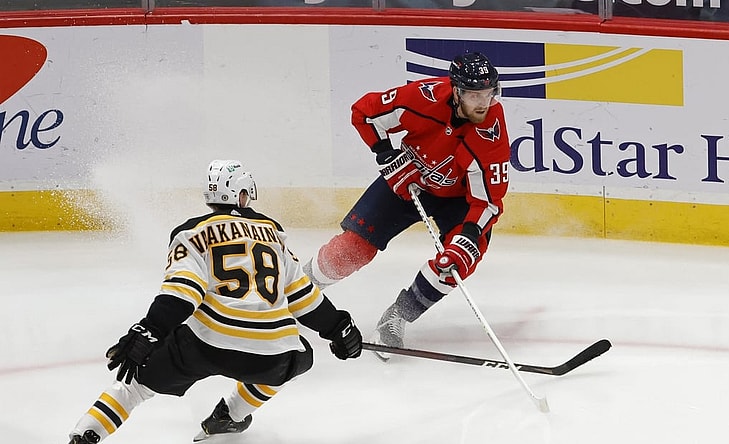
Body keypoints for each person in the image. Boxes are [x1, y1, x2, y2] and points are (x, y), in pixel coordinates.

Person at [67, 159, 362, 444]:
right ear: (243, 194)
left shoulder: (192, 232)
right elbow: (303, 296)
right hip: (273, 352)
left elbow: (183, 292)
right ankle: (233, 414)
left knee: (135, 386)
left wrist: (149, 330)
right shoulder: (273, 232)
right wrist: (338, 327)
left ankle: (87, 433)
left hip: (205, 346)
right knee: (300, 355)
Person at [303, 52, 510, 358]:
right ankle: (299, 288)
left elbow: (488, 201)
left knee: (457, 262)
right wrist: (387, 155)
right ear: (455, 91)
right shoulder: (422, 98)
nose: (483, 102)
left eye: (488, 93)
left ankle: (397, 316)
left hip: (459, 201)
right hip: (406, 180)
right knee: (353, 248)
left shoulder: (490, 132)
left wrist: (465, 238)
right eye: (473, 94)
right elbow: (364, 113)